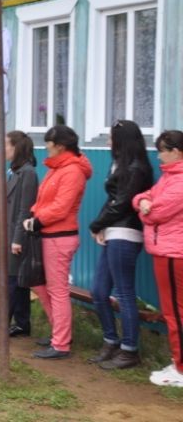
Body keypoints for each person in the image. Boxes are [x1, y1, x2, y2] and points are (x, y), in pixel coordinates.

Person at [87, 120, 153, 369]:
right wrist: (101, 225)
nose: (107, 142)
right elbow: (113, 200)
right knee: (99, 291)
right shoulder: (120, 164)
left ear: (122, 140)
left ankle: (129, 350)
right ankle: (110, 340)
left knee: (124, 293)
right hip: (113, 230)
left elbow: (123, 203)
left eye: (111, 137)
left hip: (126, 233)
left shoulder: (136, 169)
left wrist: (96, 224)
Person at [24, 125, 93, 359]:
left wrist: (38, 220)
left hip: (59, 237)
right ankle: (59, 334)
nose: (46, 147)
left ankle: (61, 343)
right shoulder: (58, 168)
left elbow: (61, 207)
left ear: (60, 146)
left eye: (48, 144)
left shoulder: (72, 171)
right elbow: (44, 199)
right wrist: (34, 215)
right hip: (48, 234)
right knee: (42, 286)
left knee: (57, 290)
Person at [0, 130, 39, 341]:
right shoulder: (15, 171)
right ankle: (22, 324)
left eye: (6, 145)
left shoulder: (28, 173)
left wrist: (17, 239)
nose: (3, 149)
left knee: (11, 283)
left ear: (17, 148)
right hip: (9, 234)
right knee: (19, 283)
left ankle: (0, 325)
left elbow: (25, 210)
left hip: (17, 237)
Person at [133, 130, 183, 387]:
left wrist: (146, 208)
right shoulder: (168, 177)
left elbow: (156, 213)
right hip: (166, 251)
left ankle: (181, 368)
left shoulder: (180, 180)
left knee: (175, 312)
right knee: (173, 310)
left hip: (174, 253)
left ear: (176, 151)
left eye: (162, 150)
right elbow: (141, 197)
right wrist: (144, 202)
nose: (158, 155)